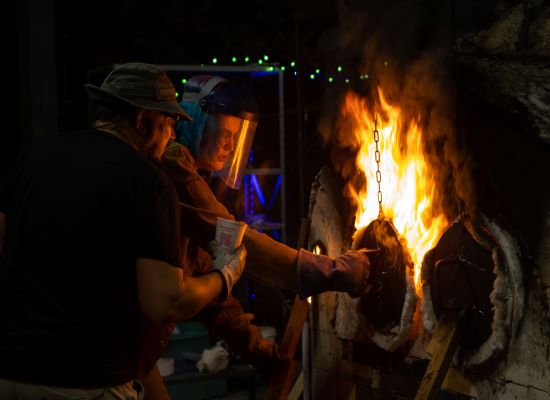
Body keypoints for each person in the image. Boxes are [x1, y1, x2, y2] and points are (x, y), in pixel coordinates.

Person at [0, 63, 247, 400]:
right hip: (86, 383)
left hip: (11, 375)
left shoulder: (33, 156)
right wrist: (224, 275)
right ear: (143, 121)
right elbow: (166, 303)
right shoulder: (147, 183)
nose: (173, 136)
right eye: (168, 124)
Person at [156, 75, 372, 390]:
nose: (231, 147)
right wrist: (329, 270)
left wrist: (259, 352)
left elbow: (211, 289)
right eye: (224, 134)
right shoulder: (172, 165)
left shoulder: (190, 178)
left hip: (133, 353)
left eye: (237, 137)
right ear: (196, 120)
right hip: (112, 351)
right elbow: (231, 238)